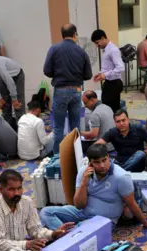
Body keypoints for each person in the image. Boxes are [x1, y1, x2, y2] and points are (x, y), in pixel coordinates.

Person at [40, 144, 147, 229]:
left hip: (104, 221)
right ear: (90, 163)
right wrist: (84, 182)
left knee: (82, 229)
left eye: (104, 160)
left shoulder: (121, 177)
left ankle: (69, 235)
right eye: (97, 162)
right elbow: (79, 205)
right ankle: (67, 234)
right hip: (82, 213)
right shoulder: (83, 172)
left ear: (108, 157)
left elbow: (132, 204)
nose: (102, 166)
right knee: (45, 212)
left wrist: (146, 223)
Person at [43, 23, 93, 154]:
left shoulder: (54, 49)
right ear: (75, 34)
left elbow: (46, 70)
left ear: (62, 35)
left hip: (60, 90)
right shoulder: (81, 52)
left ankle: (57, 157)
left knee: (58, 127)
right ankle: (76, 155)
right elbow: (88, 75)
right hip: (76, 90)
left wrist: (59, 74)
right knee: (75, 126)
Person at [91, 30, 125, 113]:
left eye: (97, 42)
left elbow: (120, 67)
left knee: (110, 109)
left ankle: (112, 124)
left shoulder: (113, 50)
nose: (97, 45)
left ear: (103, 38)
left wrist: (105, 75)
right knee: (109, 108)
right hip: (109, 82)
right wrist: (100, 74)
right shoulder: (107, 50)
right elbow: (109, 67)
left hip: (114, 83)